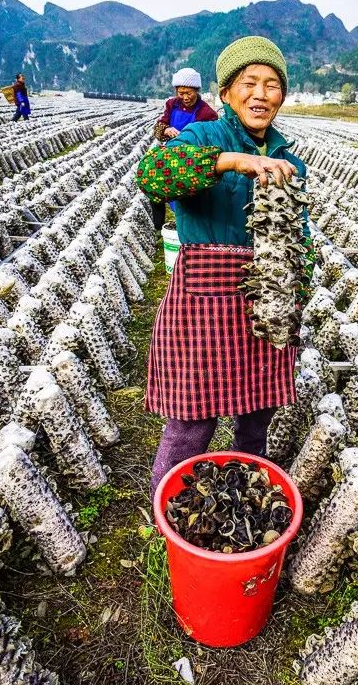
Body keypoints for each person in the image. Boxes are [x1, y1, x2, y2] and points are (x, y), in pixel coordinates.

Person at [136, 36, 315, 498]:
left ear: (283, 95)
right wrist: (231, 161)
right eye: (249, 83)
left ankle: (247, 504)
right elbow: (152, 175)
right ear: (227, 93)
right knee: (193, 420)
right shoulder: (204, 135)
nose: (261, 94)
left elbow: (301, 236)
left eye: (272, 84)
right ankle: (167, 516)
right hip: (203, 297)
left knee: (258, 415)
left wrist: (299, 291)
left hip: (267, 300)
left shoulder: (288, 160)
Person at [150, 67, 218, 228]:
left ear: (197, 90)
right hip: (171, 154)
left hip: (191, 160)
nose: (185, 97)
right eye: (181, 93)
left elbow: (211, 139)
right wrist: (166, 130)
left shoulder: (206, 113)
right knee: (154, 187)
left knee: (186, 195)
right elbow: (159, 127)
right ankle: (159, 227)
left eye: (189, 93)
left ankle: (187, 227)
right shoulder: (172, 105)